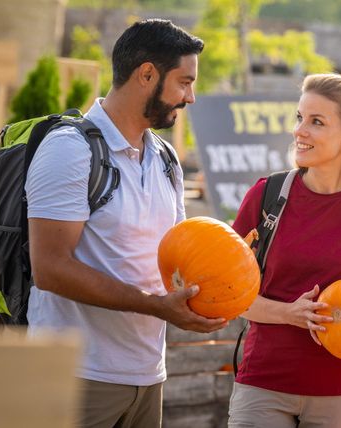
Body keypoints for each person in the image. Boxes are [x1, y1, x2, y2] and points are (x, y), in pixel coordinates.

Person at [26, 19, 227, 428]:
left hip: (147, 375)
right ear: (147, 74)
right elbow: (49, 268)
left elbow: (177, 258)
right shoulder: (70, 149)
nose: (190, 97)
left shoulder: (166, 158)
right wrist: (156, 307)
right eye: (185, 82)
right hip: (77, 374)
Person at [228, 73, 341, 427]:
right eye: (299, 118)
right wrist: (290, 313)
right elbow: (232, 296)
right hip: (263, 384)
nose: (301, 130)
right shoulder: (267, 197)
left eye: (316, 122)